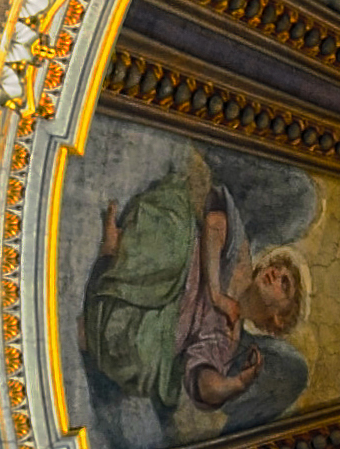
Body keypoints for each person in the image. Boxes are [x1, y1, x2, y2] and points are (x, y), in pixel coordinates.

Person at [79, 168, 304, 421]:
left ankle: (98, 313)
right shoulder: (241, 261)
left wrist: (235, 384)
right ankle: (117, 246)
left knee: (146, 363)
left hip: (165, 316)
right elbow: (214, 224)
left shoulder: (229, 337)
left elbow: (203, 381)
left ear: (278, 319)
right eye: (278, 267)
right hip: (175, 258)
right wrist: (215, 294)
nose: (276, 273)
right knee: (171, 249)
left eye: (284, 284)